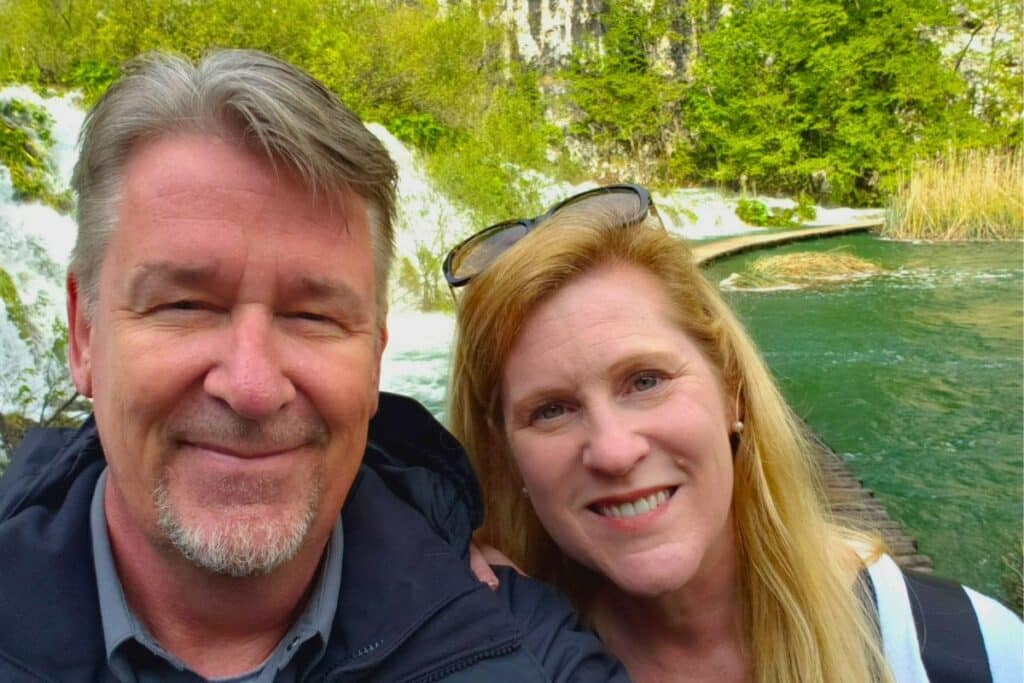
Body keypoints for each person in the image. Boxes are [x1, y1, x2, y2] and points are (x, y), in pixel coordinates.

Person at [0, 50, 631, 682]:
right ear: (84, 335)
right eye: (186, 304)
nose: (251, 387)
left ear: (376, 354)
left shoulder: (524, 650)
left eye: (314, 316)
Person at [445, 185, 1023, 683]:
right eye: (550, 411)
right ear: (505, 455)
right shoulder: (486, 658)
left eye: (645, 381)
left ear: (733, 393)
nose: (616, 451)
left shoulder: (970, 653)